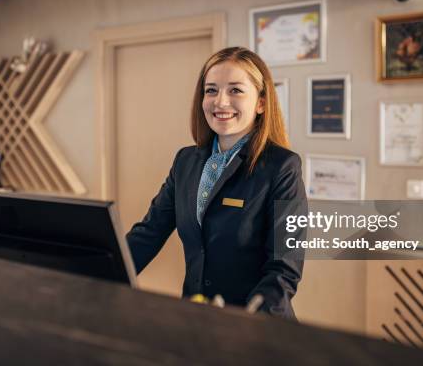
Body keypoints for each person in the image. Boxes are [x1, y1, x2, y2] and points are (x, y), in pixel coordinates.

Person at [126, 46, 308, 319]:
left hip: (256, 326)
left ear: (260, 103)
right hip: (196, 318)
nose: (220, 102)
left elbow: (284, 269)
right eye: (211, 90)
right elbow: (148, 234)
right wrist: (96, 275)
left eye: (235, 90)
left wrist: (248, 322)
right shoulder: (186, 161)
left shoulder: (282, 167)